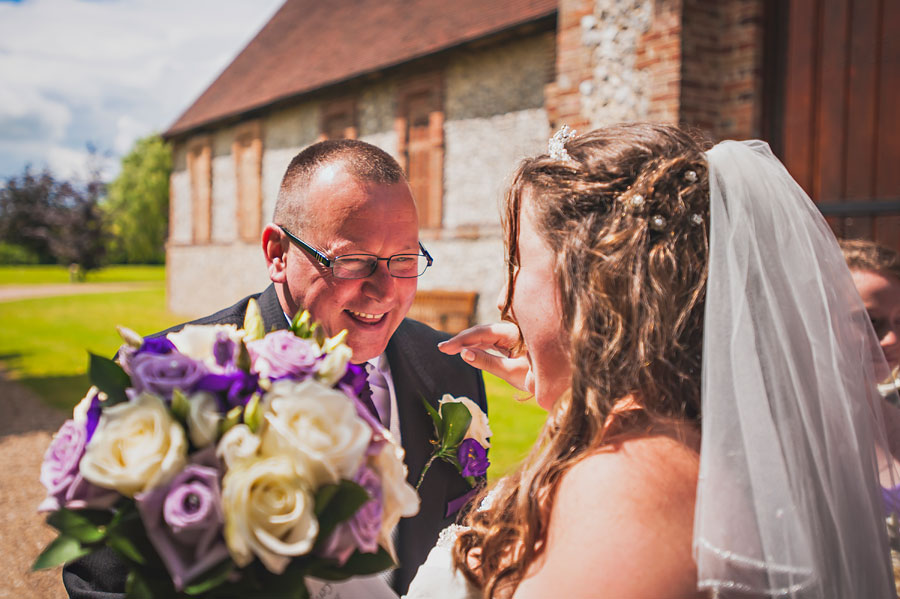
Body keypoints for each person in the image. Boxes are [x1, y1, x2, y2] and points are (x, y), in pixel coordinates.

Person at [405, 123, 899, 598]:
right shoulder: (684, 440)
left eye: (516, 261)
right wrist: (576, 398)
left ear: (597, 286)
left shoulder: (628, 487)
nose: (502, 301)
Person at [62, 139, 488, 597]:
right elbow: (100, 587)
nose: (384, 291)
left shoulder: (452, 369)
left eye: (403, 260)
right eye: (352, 261)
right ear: (277, 254)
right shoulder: (163, 384)